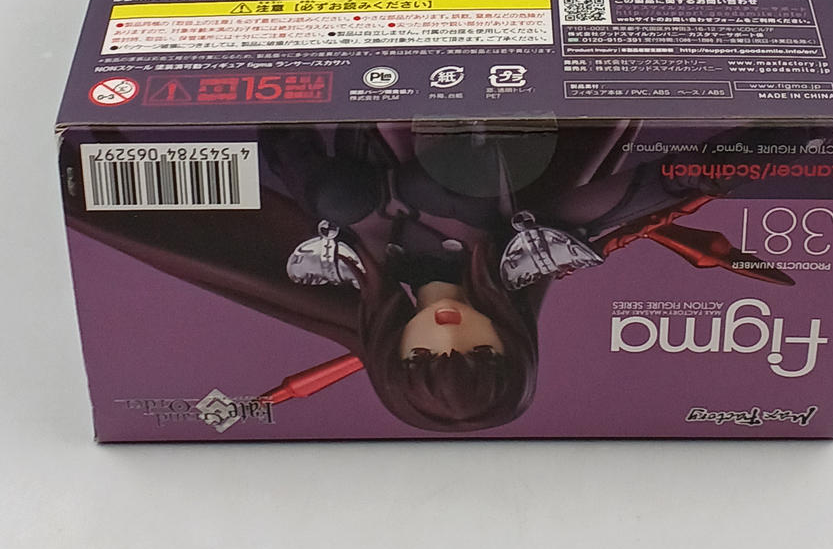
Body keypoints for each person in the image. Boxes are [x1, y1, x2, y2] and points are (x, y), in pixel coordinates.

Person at [64, 123, 791, 434]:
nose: (447, 333)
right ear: (509, 342)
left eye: (424, 358)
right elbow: (662, 186)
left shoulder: (340, 274)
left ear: (394, 352)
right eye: (476, 352)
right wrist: (797, 140)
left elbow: (279, 165)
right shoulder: (525, 247)